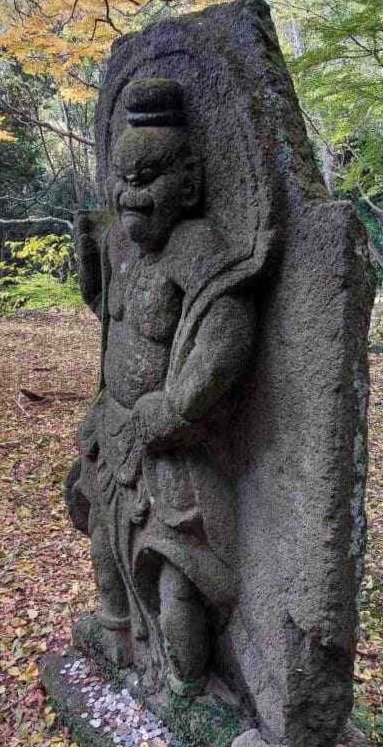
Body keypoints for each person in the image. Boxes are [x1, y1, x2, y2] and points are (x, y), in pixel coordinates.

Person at [67, 78, 258, 696]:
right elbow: (113, 317)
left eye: (148, 180)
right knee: (103, 537)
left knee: (176, 571)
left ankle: (187, 682)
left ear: (189, 181)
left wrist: (176, 407)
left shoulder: (197, 247)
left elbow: (226, 334)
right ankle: (118, 633)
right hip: (115, 430)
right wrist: (90, 266)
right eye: (124, 181)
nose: (131, 196)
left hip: (169, 449)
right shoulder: (121, 243)